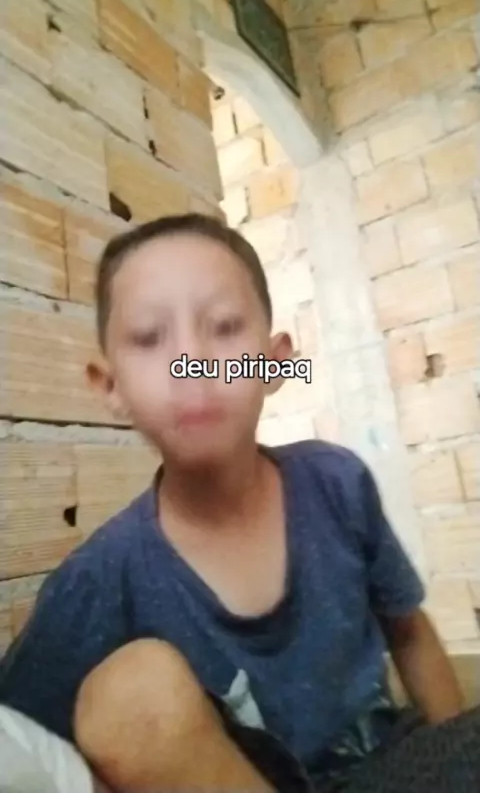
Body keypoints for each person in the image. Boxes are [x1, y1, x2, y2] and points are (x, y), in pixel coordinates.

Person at [0, 214, 478, 793]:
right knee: (127, 693)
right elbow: (19, 744)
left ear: (274, 364)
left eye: (224, 327)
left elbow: (409, 633)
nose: (192, 361)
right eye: (149, 337)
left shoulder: (337, 482)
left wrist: (454, 749)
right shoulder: (98, 581)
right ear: (112, 387)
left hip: (395, 768)